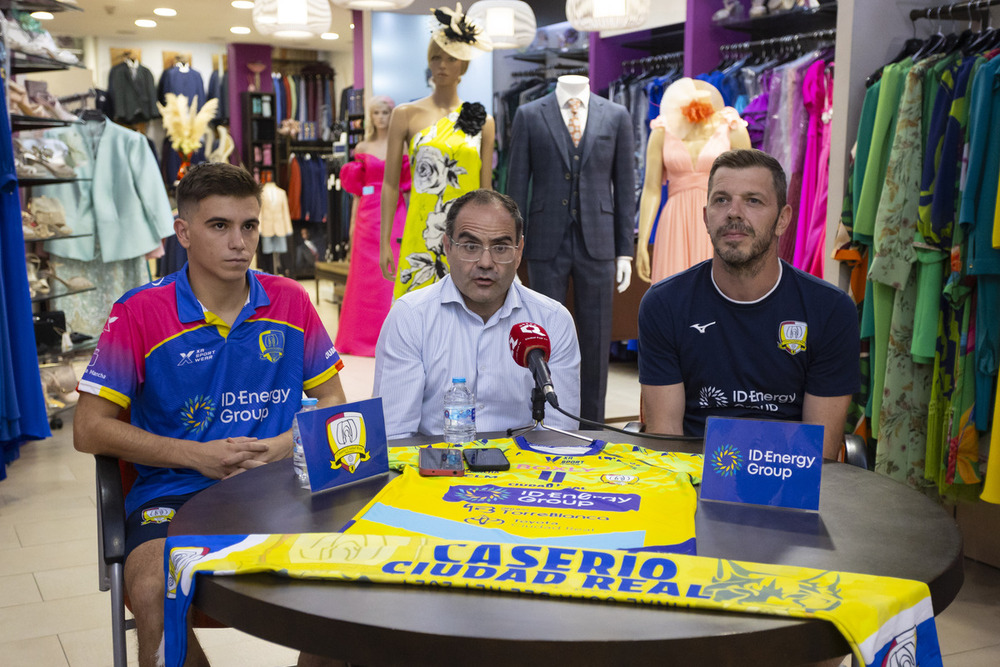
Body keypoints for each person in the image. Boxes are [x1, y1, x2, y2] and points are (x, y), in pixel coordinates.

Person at [73, 162, 347, 667]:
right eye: (219, 226)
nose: (238, 242)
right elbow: (88, 429)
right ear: (184, 233)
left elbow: (334, 401)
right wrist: (194, 455)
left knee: (362, 578)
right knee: (153, 587)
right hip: (172, 494)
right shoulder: (138, 312)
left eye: (248, 226)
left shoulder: (289, 300)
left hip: (284, 487)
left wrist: (287, 444)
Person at [638, 149, 859, 460]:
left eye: (753, 201)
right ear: (705, 217)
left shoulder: (831, 311)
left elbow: (818, 455)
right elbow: (666, 441)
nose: (734, 212)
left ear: (783, 219)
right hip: (691, 480)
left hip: (786, 480)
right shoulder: (664, 305)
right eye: (721, 200)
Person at [373, 189, 581, 438]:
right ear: (447, 247)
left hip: (525, 471)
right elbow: (393, 436)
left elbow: (560, 435)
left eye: (501, 248)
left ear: (519, 250)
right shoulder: (410, 318)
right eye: (470, 246)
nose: (485, 262)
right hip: (437, 471)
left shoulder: (553, 321)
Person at [506, 73, 634, 424]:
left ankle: (593, 423)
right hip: (545, 238)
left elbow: (625, 185)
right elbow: (516, 180)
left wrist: (625, 249)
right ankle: (544, 419)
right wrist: (510, 246)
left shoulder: (616, 115)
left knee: (596, 338)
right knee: (541, 335)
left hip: (600, 239)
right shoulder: (530, 114)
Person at [380, 3, 495, 299]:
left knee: (468, 313)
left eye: (450, 58)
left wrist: (489, 244)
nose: (442, 65)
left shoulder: (483, 121)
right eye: (435, 58)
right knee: (416, 316)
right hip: (421, 230)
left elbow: (486, 188)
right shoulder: (406, 114)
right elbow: (391, 184)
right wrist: (385, 243)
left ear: (464, 65)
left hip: (468, 237)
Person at [635, 78, 751, 285]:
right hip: (675, 220)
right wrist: (642, 241)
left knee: (718, 291)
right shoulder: (662, 131)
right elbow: (651, 188)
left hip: (720, 219)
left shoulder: (732, 128)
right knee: (672, 293)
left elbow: (749, 187)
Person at [336, 95, 411, 356]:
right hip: (367, 213)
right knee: (364, 275)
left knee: (390, 274)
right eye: (376, 113)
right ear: (370, 116)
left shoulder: (402, 146)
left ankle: (393, 337)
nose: (381, 117)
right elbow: (357, 191)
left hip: (396, 212)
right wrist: (353, 222)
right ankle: (359, 338)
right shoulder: (362, 147)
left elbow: (408, 187)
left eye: (385, 112)